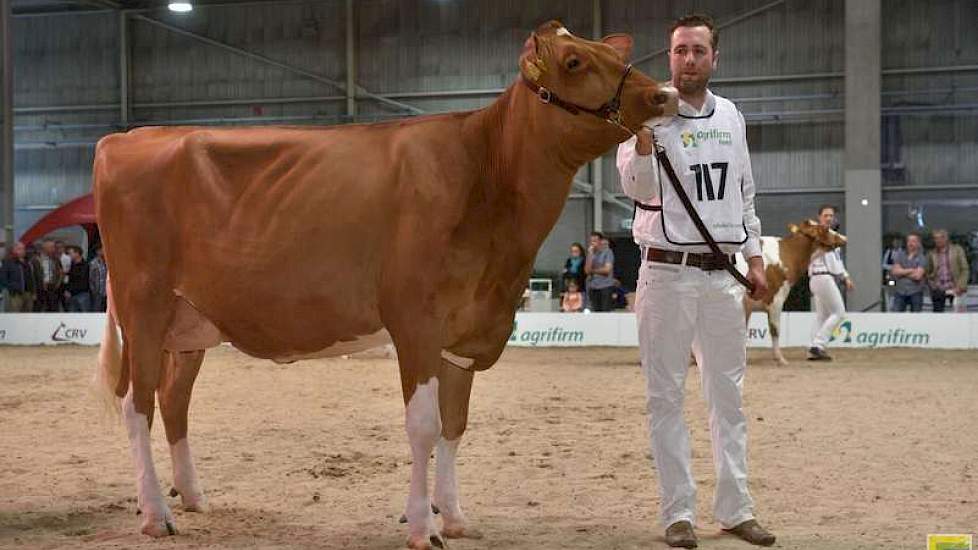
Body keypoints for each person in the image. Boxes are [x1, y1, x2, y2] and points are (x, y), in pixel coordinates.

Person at [616, 13, 773, 548]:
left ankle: (736, 508)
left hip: (722, 279)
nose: (688, 59)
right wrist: (641, 138)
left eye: (698, 51)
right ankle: (678, 513)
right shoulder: (650, 110)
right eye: (680, 50)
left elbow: (745, 195)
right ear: (669, 56)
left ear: (714, 58)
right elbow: (635, 189)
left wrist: (754, 259)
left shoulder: (731, 116)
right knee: (666, 397)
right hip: (665, 273)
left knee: (728, 397)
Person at [807, 205, 853, 361]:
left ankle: (814, 347)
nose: (829, 218)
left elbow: (836, 260)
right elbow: (830, 261)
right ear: (819, 217)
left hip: (819, 278)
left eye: (831, 215)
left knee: (822, 315)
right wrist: (843, 276)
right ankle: (818, 345)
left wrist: (845, 276)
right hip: (822, 276)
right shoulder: (817, 234)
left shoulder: (830, 235)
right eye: (826, 215)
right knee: (839, 313)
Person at [926, 229, 969, 312]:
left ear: (946, 238)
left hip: (956, 287)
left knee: (959, 317)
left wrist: (960, 286)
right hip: (938, 288)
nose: (937, 240)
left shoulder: (957, 250)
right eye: (935, 238)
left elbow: (965, 269)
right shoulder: (931, 253)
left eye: (940, 238)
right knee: (937, 316)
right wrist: (932, 284)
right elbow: (927, 271)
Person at [889, 233, 927, 312]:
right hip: (900, 291)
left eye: (913, 241)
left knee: (916, 319)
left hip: (916, 292)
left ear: (918, 243)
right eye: (908, 241)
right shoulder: (900, 255)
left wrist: (902, 272)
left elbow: (918, 276)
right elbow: (894, 272)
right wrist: (911, 270)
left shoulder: (922, 257)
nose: (910, 243)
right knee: (897, 318)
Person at [0, 242, 37, 313]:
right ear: (13, 251)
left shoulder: (28, 263)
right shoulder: (8, 263)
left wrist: (33, 292)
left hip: (28, 294)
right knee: (15, 317)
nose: (23, 251)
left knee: (28, 317)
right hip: (16, 296)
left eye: (23, 249)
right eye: (19, 249)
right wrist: (13, 287)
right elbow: (3, 279)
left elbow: (32, 278)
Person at [584, 231, 615, 312]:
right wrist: (590, 255)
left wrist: (593, 271)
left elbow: (607, 269)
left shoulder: (608, 252)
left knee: (605, 310)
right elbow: (587, 270)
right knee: (595, 311)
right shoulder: (590, 253)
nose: (593, 243)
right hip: (593, 286)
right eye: (591, 241)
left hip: (605, 286)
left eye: (595, 241)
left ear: (600, 241)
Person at [31, 239, 64, 312]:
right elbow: (32, 276)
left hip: (53, 288)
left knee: (53, 309)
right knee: (40, 309)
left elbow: (61, 272)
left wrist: (58, 283)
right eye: (51, 247)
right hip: (40, 289)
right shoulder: (35, 260)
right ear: (45, 248)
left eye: (54, 247)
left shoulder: (56, 259)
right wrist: (34, 291)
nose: (54, 249)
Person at [64, 245, 91, 312]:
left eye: (70, 253)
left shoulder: (85, 265)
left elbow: (81, 279)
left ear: (77, 253)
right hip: (72, 295)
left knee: (84, 314)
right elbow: (69, 280)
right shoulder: (71, 265)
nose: (69, 255)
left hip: (82, 294)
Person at [89, 245, 108, 312]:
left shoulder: (107, 261)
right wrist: (94, 290)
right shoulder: (93, 263)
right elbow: (91, 278)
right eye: (102, 249)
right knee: (97, 310)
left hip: (106, 291)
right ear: (98, 251)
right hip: (98, 292)